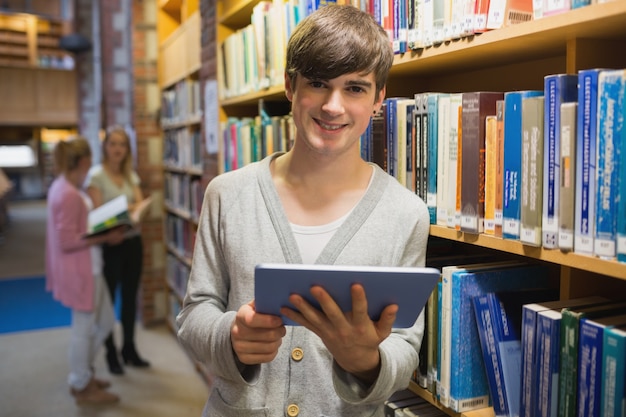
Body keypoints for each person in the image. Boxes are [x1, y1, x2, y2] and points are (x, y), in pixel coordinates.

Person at [176, 4, 430, 417]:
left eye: (355, 88)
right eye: (317, 83)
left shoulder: (407, 214)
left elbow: (404, 347)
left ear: (379, 98)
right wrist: (232, 336)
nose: (333, 106)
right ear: (290, 87)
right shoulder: (227, 194)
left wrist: (367, 362)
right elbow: (193, 314)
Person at [46, 136, 126, 405]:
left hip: (90, 267)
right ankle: (81, 384)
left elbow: (74, 230)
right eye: (89, 162)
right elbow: (67, 241)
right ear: (82, 162)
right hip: (82, 272)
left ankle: (83, 375)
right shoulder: (68, 194)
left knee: (103, 322)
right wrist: (105, 237)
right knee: (84, 328)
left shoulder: (65, 186)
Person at [86, 126, 150, 375]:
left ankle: (129, 349)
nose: (118, 149)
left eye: (122, 144)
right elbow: (97, 215)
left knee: (130, 298)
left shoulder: (130, 175)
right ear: (105, 147)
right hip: (110, 246)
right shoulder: (96, 176)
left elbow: (139, 204)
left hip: (132, 242)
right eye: (113, 144)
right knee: (109, 301)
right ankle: (111, 353)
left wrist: (127, 208)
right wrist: (127, 208)